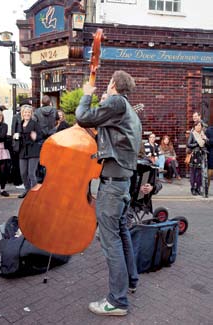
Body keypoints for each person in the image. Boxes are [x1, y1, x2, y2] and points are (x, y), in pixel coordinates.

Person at [76, 70, 141, 316]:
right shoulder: (129, 110)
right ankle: (131, 281)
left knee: (110, 240)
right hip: (122, 182)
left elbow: (83, 117)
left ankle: (117, 301)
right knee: (121, 233)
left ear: (113, 84)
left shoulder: (115, 102)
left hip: (113, 184)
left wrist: (86, 96)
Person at [15, 105, 42, 199]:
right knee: (23, 173)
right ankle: (27, 190)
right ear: (22, 113)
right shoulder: (20, 123)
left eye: (29, 112)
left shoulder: (34, 123)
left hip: (33, 150)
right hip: (23, 151)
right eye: (25, 112)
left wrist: (36, 137)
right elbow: (16, 136)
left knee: (31, 173)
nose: (27, 114)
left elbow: (40, 135)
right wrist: (15, 137)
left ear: (31, 114)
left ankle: (34, 192)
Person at [187, 121, 208, 195]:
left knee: (199, 173)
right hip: (195, 155)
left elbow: (207, 144)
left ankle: (198, 188)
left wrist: (205, 139)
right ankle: (193, 188)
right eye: (197, 125)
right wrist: (197, 144)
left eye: (200, 125)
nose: (199, 127)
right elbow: (188, 144)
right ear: (195, 126)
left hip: (201, 155)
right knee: (193, 173)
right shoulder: (192, 134)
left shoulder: (202, 134)